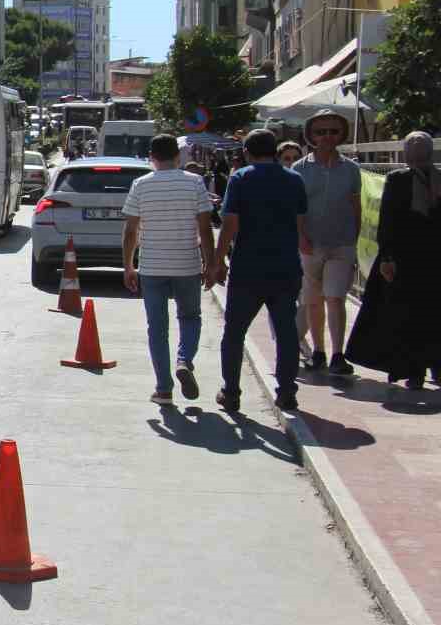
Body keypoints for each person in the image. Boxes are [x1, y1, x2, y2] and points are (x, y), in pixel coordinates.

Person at [211, 128, 309, 412]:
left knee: (235, 331)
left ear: (246, 152)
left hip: (248, 269)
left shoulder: (241, 178)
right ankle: (287, 392)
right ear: (275, 152)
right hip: (286, 267)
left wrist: (218, 263)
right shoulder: (295, 180)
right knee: (286, 331)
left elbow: (229, 224)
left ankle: (231, 393)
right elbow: (302, 226)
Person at [122, 134, 216, 405]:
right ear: (178, 157)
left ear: (151, 157)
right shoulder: (194, 182)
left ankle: (164, 389)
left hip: (151, 267)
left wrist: (129, 265)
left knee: (157, 327)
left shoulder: (140, 185)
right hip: (186, 265)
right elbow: (205, 228)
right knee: (190, 317)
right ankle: (184, 360)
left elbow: (131, 230)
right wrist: (210, 264)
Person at [346, 131, 441, 390]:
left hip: (407, 259)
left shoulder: (399, 179)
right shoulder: (433, 177)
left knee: (410, 315)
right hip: (425, 260)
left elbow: (387, 221)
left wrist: (387, 257)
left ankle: (416, 371)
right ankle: (430, 367)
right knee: (431, 314)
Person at [292, 109, 361, 377]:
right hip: (310, 243)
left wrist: (354, 239)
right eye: (321, 132)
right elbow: (296, 209)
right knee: (313, 300)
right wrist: (300, 237)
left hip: (341, 244)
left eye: (333, 131)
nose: (327, 137)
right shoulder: (300, 169)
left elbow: (356, 206)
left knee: (335, 298)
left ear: (341, 133)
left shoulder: (352, 169)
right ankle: (318, 351)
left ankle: (337, 354)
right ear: (311, 135)